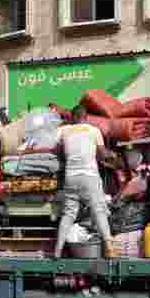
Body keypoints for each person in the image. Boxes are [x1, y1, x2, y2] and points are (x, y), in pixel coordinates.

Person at [54, 107, 116, 259]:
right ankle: (109, 248)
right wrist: (112, 155)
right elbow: (102, 154)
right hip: (89, 176)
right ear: (86, 117)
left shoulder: (64, 131)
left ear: (73, 117)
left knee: (68, 214)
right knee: (98, 210)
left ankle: (57, 250)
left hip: (71, 177)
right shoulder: (93, 130)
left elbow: (59, 152)